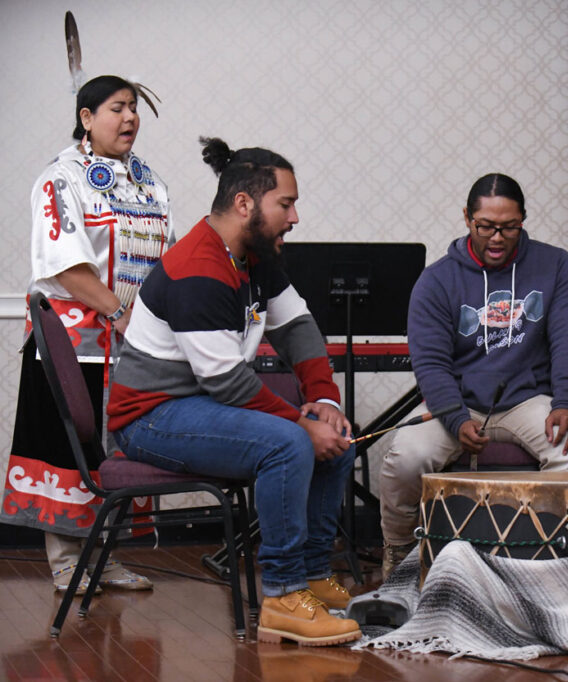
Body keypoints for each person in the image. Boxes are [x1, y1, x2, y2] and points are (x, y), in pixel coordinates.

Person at [105, 137, 361, 646]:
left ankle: (310, 574)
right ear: (245, 204)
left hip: (198, 403)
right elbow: (226, 382)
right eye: (285, 204)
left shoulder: (253, 256)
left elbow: (299, 328)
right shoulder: (198, 267)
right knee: (289, 443)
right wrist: (299, 424)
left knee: (332, 439)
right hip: (150, 417)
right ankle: (284, 595)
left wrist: (325, 403)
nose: (295, 217)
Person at [1, 75, 173, 594]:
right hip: (74, 339)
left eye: (135, 108)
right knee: (67, 440)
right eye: (117, 108)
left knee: (119, 446)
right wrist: (118, 311)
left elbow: (164, 261)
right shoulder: (61, 179)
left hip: (134, 341)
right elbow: (68, 267)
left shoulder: (148, 182)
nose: (129, 118)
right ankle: (65, 558)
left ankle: (107, 556)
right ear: (86, 117)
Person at [379, 173, 568, 576]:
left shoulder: (555, 265)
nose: (497, 237)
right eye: (486, 226)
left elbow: (567, 339)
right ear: (466, 219)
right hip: (459, 403)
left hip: (527, 399)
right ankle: (399, 550)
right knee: (406, 456)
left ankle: (554, 563)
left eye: (509, 227)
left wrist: (566, 403)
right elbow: (431, 363)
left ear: (523, 220)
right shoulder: (437, 280)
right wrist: (456, 418)